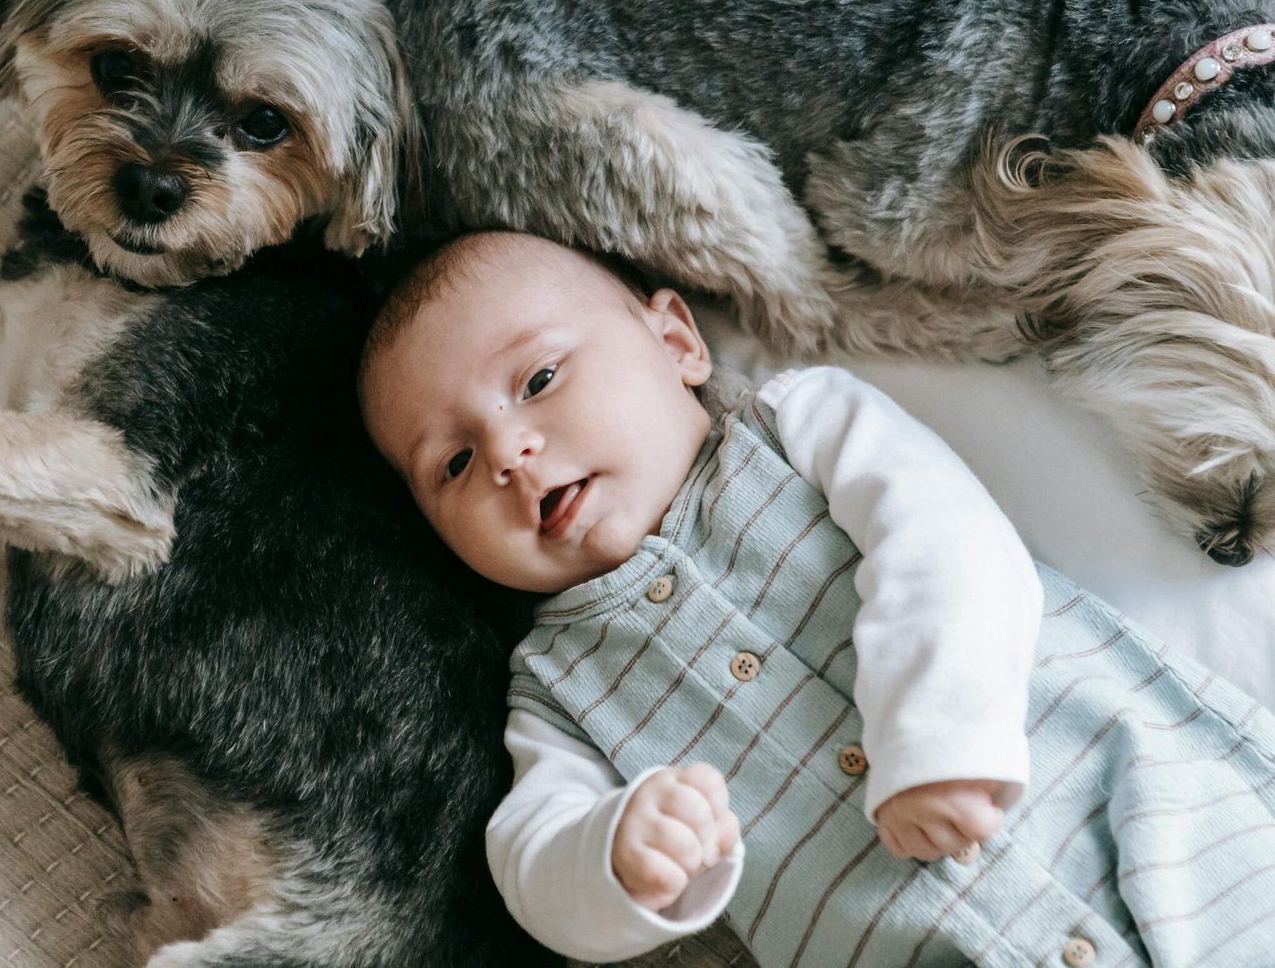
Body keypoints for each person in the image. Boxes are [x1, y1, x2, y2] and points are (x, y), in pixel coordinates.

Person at [357, 232, 1275, 968]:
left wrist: (941, 734)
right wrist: (617, 858)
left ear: (675, 341)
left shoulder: (803, 425)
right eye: (454, 462)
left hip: (1153, 815)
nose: (511, 451)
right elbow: (529, 860)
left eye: (540, 379)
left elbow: (945, 537)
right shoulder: (554, 690)